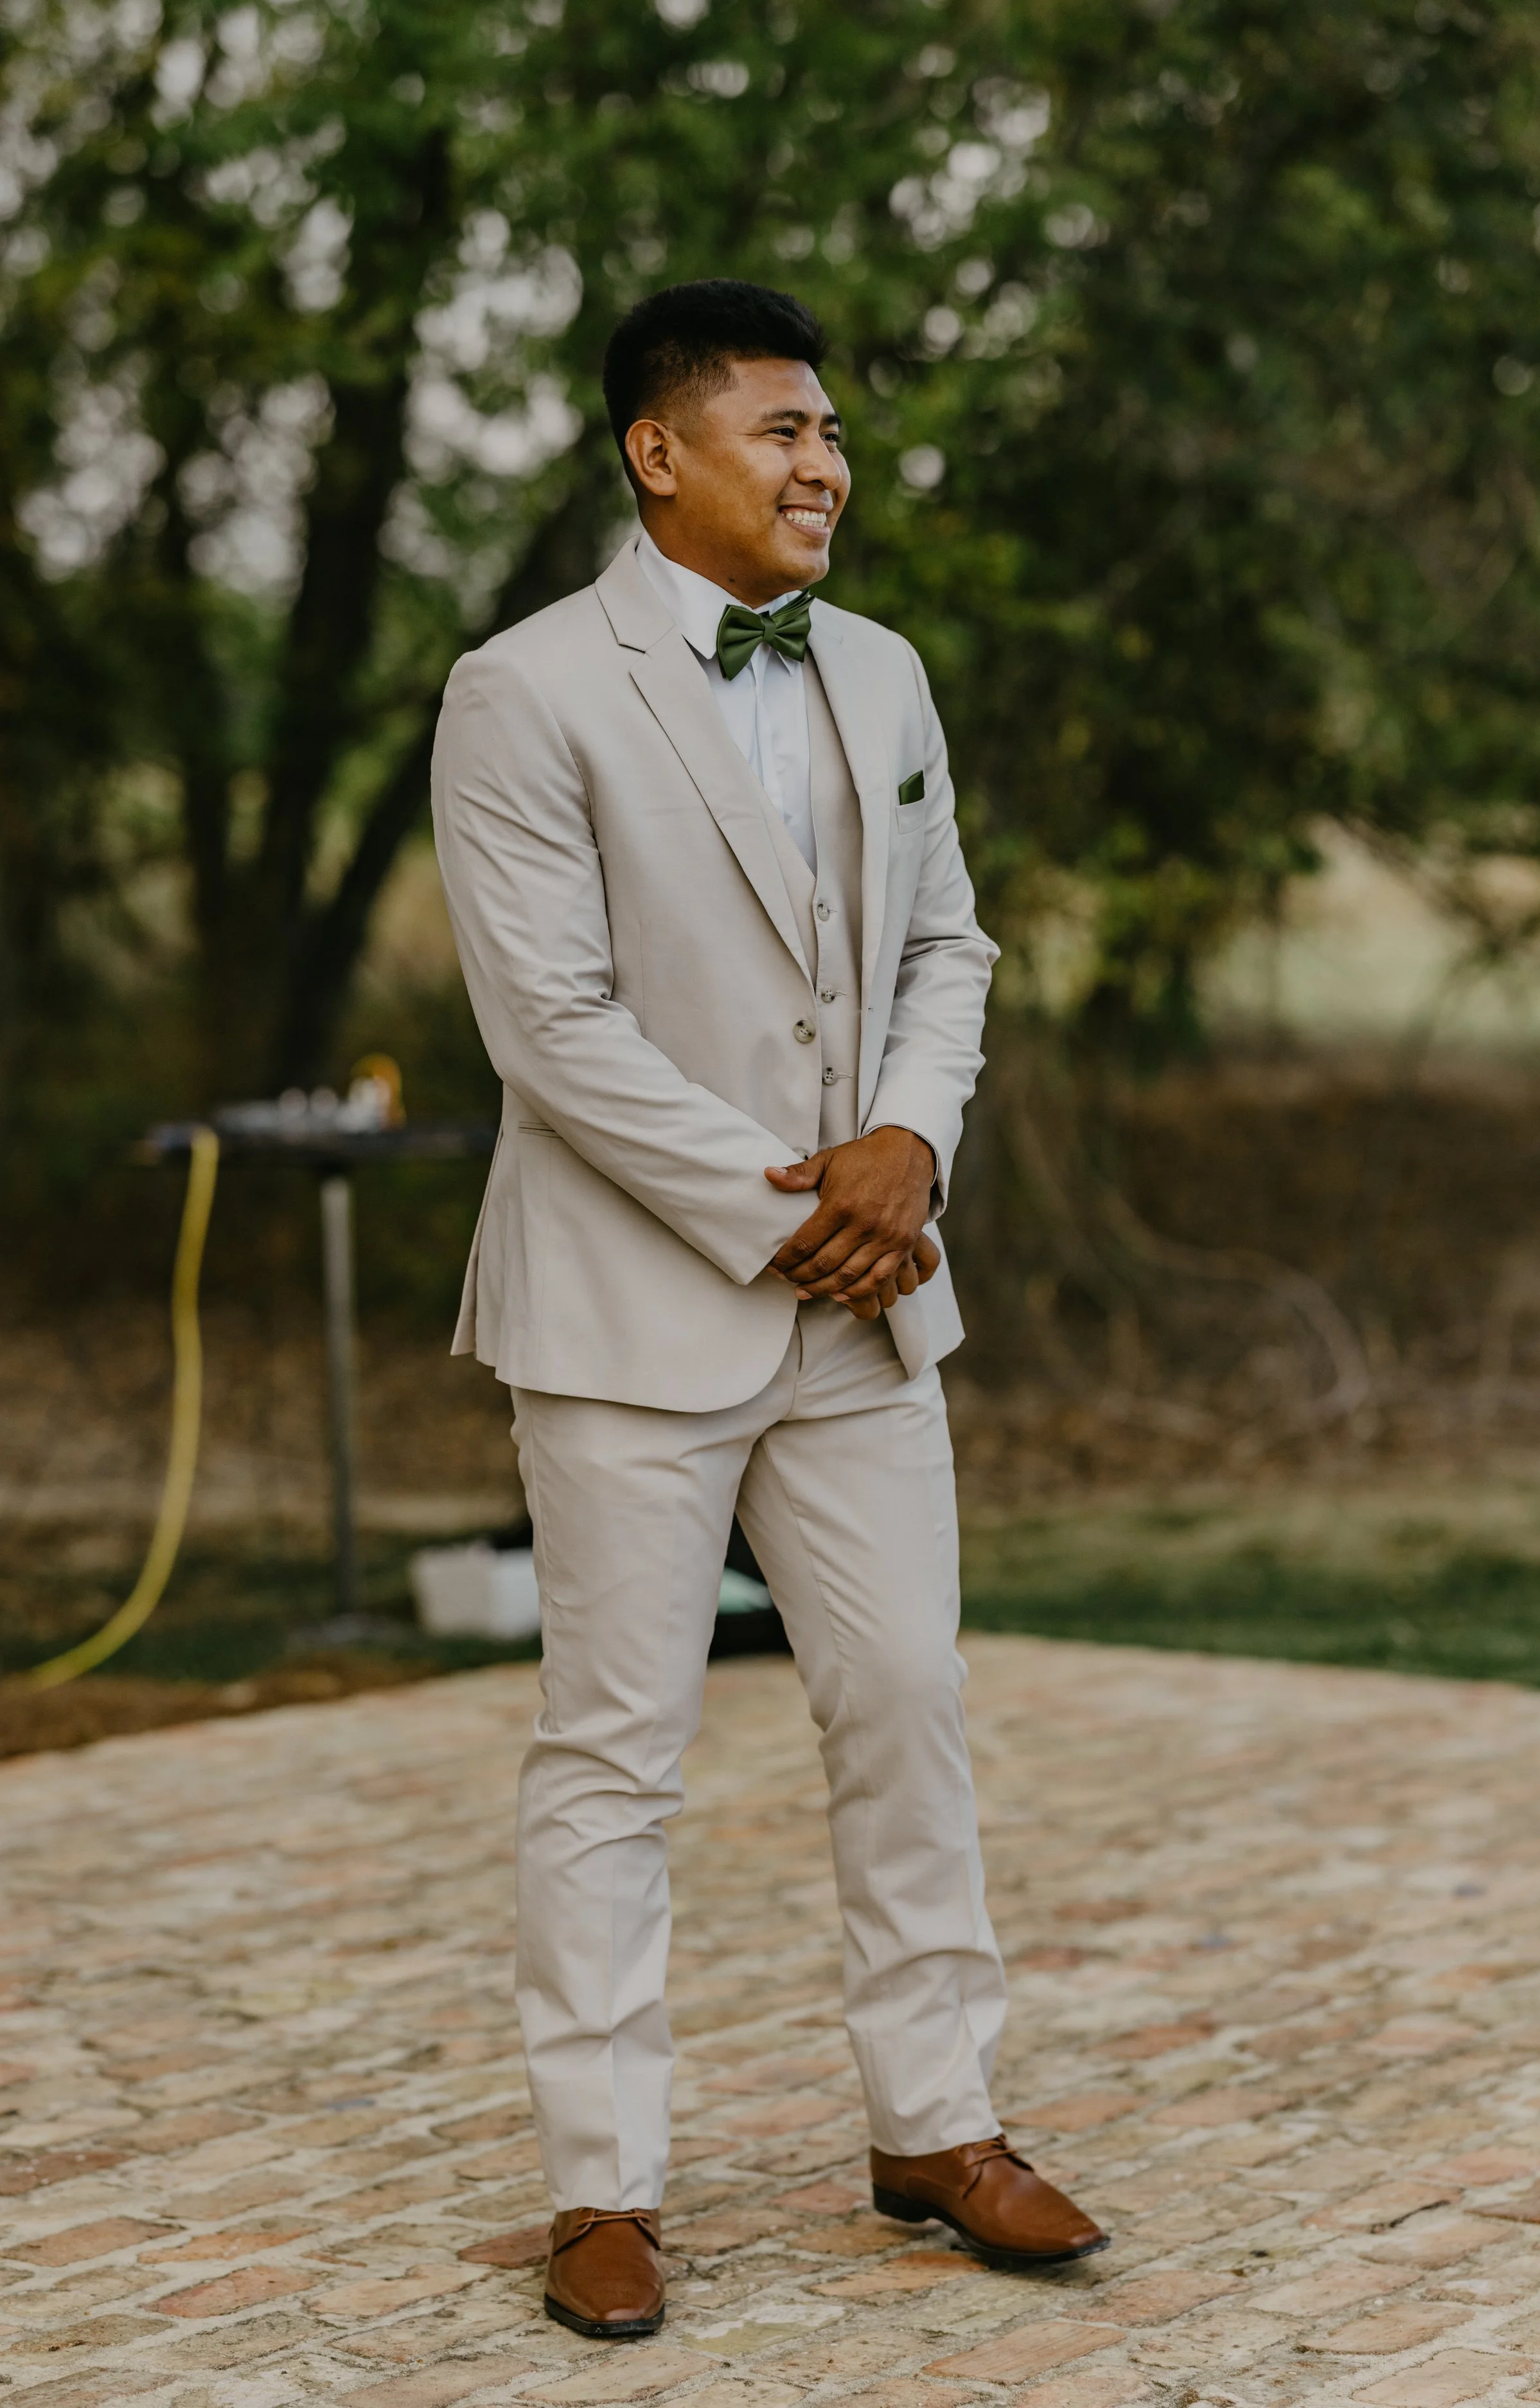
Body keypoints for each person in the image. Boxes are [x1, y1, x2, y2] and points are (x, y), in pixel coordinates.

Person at [431, 279, 1108, 2342]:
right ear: (660, 451)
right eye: (782, 433)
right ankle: (598, 2186)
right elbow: (549, 1025)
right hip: (636, 1305)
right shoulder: (525, 689)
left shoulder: (884, 676)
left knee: (905, 1703)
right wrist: (787, 1210)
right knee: (613, 1754)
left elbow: (952, 943)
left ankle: (934, 2120)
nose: (826, 466)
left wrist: (905, 1147)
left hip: (871, 1295)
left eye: (831, 435)